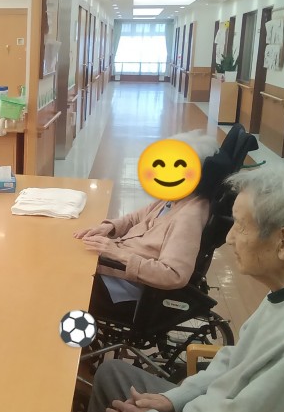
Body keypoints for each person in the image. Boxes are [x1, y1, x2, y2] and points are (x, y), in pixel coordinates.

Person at [60, 160, 284, 412]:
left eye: (241, 226)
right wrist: (171, 399)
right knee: (111, 374)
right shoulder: (283, 295)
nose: (230, 238)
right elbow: (231, 362)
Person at [75, 130, 220, 318]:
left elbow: (174, 275)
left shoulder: (188, 216)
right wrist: (110, 227)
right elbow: (137, 218)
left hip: (130, 288)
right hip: (117, 266)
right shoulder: (175, 197)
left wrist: (118, 253)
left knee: (65, 278)